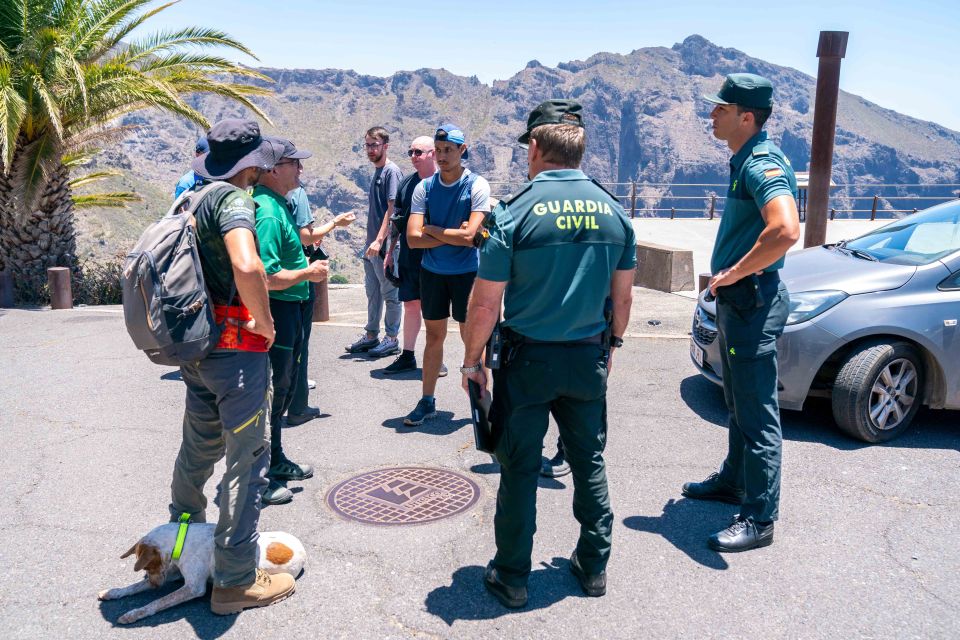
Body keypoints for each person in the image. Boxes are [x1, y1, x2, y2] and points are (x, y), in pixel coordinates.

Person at [460, 100, 636, 607]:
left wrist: (473, 363)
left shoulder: (511, 214)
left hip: (528, 362)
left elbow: (486, 301)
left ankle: (513, 576)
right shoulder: (614, 212)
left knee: (519, 469)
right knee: (589, 461)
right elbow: (622, 299)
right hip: (587, 358)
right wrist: (614, 344)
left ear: (535, 147)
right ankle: (593, 565)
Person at [170, 118, 296, 614]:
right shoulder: (234, 201)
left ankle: (177, 544)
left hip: (197, 350)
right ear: (252, 163)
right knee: (248, 458)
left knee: (198, 450)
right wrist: (264, 323)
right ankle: (235, 578)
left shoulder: (193, 198)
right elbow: (247, 265)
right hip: (235, 354)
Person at [680, 73, 799, 552]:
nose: (712, 115)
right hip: (740, 302)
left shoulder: (761, 162)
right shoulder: (745, 158)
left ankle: (759, 517)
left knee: (756, 412)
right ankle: (734, 480)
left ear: (746, 117)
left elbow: (786, 230)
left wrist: (734, 272)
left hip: (751, 301)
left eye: (721, 109)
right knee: (737, 401)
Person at [253, 138, 329, 505]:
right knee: (271, 390)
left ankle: (276, 458)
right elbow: (266, 276)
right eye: (292, 163)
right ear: (272, 169)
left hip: (290, 310)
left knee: (281, 387)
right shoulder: (267, 211)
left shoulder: (278, 204)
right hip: (279, 311)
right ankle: (262, 471)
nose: (300, 169)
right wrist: (308, 274)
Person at [405, 124, 490, 425]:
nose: (441, 156)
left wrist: (433, 229)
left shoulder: (477, 186)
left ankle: (481, 404)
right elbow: (413, 238)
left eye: (448, 150)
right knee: (434, 337)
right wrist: (455, 233)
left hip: (467, 273)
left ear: (462, 151)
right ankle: (427, 400)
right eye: (438, 150)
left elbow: (472, 237)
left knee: (473, 341)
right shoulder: (424, 187)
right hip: (433, 273)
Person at [285, 185, 355, 426]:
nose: (301, 169)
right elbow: (308, 236)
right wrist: (335, 222)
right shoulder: (297, 193)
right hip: (296, 280)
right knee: (299, 345)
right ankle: (298, 405)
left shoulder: (257, 193)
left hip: (273, 285)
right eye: (295, 163)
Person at [381, 136, 445, 378]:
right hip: (409, 254)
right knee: (410, 304)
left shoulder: (444, 182)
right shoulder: (407, 184)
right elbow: (397, 221)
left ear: (432, 154)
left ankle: (435, 357)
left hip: (436, 255)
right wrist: (389, 252)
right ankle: (407, 355)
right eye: (410, 152)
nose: (413, 157)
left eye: (418, 152)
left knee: (433, 309)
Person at [345, 126, 403, 359]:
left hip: (385, 246)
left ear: (385, 146)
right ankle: (371, 336)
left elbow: (392, 210)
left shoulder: (391, 172)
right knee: (373, 293)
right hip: (371, 246)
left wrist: (380, 241)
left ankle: (391, 339)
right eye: (367, 145)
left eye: (374, 145)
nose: (370, 150)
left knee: (390, 294)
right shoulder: (377, 172)